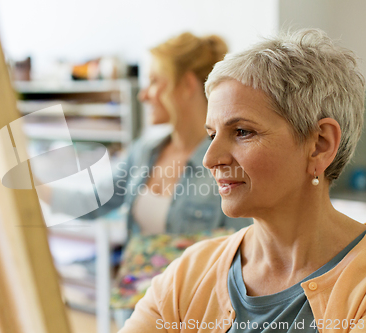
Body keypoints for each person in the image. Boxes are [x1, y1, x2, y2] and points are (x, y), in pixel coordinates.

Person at [119, 28, 366, 333]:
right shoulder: (190, 273)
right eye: (212, 135)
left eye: (242, 132)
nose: (210, 159)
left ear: (320, 145)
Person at [45, 32, 252, 327]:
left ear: (187, 86)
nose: (143, 94)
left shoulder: (227, 161)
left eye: (154, 81)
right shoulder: (144, 152)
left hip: (194, 316)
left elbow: (245, 254)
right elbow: (93, 201)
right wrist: (31, 190)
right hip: (136, 310)